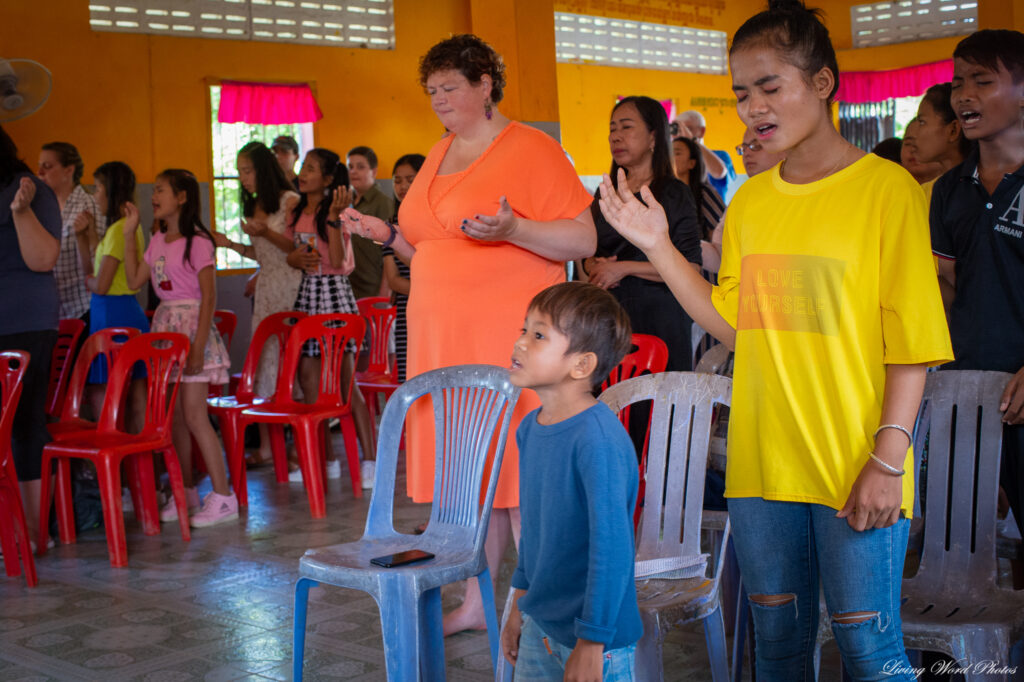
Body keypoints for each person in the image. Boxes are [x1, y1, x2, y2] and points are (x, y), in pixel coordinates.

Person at [596, 1, 953, 678]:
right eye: (740, 93)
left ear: (821, 83)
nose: (753, 107)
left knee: (871, 656)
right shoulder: (754, 202)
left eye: (770, 87)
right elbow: (736, 325)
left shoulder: (887, 191)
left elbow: (911, 342)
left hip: (856, 461)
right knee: (778, 651)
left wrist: (888, 460)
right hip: (762, 466)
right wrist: (656, 246)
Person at [343, 34, 596, 636]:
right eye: (431, 91)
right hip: (438, 330)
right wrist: (384, 233)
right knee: (468, 469)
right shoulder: (438, 152)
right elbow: (428, 250)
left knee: (512, 465)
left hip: (504, 329)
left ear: (486, 84)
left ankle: (537, 602)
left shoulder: (531, 148)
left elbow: (583, 241)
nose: (439, 101)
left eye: (450, 88)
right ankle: (479, 601)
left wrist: (516, 227)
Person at [500, 282, 641, 680]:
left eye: (539, 334)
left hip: (598, 640)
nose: (521, 342)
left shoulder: (597, 441)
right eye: (524, 329)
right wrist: (519, 603)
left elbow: (611, 550)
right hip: (541, 624)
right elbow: (535, 530)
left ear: (581, 365)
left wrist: (592, 642)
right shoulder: (531, 428)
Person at [931, 29, 1024, 540]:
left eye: (982, 81)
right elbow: (946, 285)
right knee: (972, 539)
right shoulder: (950, 189)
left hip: (1022, 385)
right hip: (968, 391)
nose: (963, 94)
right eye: (957, 81)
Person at [123, 169, 237, 528]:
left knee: (194, 416)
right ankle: (184, 491)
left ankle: (223, 497)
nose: (154, 196)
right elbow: (133, 281)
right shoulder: (157, 238)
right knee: (174, 422)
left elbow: (209, 298)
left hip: (191, 330)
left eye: (161, 190)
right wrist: (129, 234)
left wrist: (199, 346)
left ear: (183, 197)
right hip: (165, 331)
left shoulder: (199, 240)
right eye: (153, 190)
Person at [584, 96, 702, 374]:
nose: (616, 137)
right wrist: (592, 265)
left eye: (626, 127)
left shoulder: (673, 193)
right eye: (612, 129)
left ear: (653, 137)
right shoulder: (605, 192)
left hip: (659, 319)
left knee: (653, 408)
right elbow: (587, 250)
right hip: (610, 318)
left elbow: (691, 266)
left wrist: (622, 269)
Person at [284, 148, 376, 487]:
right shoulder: (295, 210)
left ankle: (370, 460)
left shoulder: (338, 212)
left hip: (334, 293)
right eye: (302, 167)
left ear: (326, 179)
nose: (303, 172)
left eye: (310, 168)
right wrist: (290, 256)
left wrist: (336, 219)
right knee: (309, 382)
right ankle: (326, 459)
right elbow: (292, 252)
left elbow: (336, 261)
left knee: (344, 382)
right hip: (308, 294)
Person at [213, 141, 301, 467]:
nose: (242, 177)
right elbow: (261, 255)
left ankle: (295, 445)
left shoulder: (289, 201)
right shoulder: (254, 205)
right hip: (267, 290)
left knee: (290, 363)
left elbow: (295, 248)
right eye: (239, 171)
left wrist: (266, 231)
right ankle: (267, 446)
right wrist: (232, 244)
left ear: (263, 170)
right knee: (266, 362)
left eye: (247, 170)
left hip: (291, 287)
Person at [0, 125, 60, 545]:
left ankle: (34, 532)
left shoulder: (29, 189)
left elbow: (42, 259)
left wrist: (19, 212)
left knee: (24, 424)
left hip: (25, 322)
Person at [77, 161, 149, 430]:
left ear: (111, 191)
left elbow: (101, 284)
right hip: (111, 312)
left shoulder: (121, 229)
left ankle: (127, 464)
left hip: (115, 315)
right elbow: (94, 271)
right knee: (129, 395)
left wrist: (88, 281)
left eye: (97, 189)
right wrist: (84, 238)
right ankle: (138, 466)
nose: (95, 196)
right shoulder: (118, 229)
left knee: (116, 396)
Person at [701, 129, 787, 273]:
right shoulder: (743, 197)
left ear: (785, 149)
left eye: (755, 146)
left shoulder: (802, 194)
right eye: (744, 148)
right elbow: (721, 256)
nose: (747, 153)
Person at [37, 141, 103, 324]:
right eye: (39, 167)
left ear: (69, 170)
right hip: (55, 311)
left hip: (82, 308)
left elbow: (100, 262)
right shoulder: (43, 207)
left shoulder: (87, 205)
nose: (40, 173)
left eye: (48, 167)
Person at [382, 153, 424, 383]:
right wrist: (427, 290)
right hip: (406, 311)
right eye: (397, 180)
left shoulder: (433, 219)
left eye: (410, 179)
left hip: (433, 311)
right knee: (409, 380)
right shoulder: (391, 223)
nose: (403, 186)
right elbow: (393, 279)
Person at [909, 82, 971, 203]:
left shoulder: (981, 190)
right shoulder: (925, 193)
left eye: (922, 122)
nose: (914, 134)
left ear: (953, 130)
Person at [346, 146, 394, 300]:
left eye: (360, 167)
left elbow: (391, 250)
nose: (353, 171)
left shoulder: (383, 204)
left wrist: (384, 292)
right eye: (350, 167)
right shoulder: (346, 202)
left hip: (372, 287)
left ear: (373, 172)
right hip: (348, 285)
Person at [674, 109, 736, 200]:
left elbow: (719, 172)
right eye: (677, 130)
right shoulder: (674, 158)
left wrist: (692, 141)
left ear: (701, 131)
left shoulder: (720, 155)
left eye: (688, 129)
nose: (682, 134)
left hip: (712, 211)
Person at [672, 135, 726, 241]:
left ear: (692, 163)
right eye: (668, 152)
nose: (670, 157)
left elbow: (720, 234)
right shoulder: (664, 192)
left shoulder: (704, 193)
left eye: (677, 153)